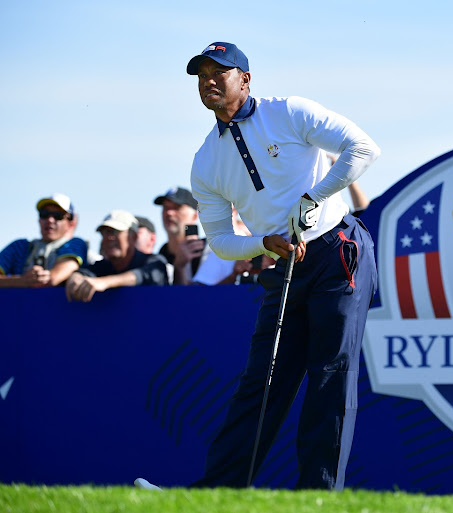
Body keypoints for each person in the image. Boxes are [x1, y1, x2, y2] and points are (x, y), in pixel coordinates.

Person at [135, 41, 380, 492]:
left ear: (244, 79)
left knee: (329, 377)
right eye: (201, 74)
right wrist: (261, 243)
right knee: (262, 383)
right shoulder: (205, 161)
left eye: (219, 72)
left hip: (337, 250)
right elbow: (222, 242)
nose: (208, 80)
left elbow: (363, 149)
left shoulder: (288, 111)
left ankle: (318, 500)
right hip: (283, 266)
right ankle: (215, 495)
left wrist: (315, 197)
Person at [65, 210, 168, 302]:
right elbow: (86, 272)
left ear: (134, 237)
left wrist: (104, 282)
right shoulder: (103, 266)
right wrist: (76, 277)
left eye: (115, 232)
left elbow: (142, 275)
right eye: (104, 233)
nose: (109, 237)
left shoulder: (153, 261)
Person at [0, 193, 87, 288]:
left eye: (58, 216)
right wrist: (22, 281)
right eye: (44, 214)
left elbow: (53, 278)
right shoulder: (19, 246)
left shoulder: (75, 244)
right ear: (39, 219)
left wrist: (38, 279)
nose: (50, 220)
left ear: (70, 223)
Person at [153, 186, 209, 285]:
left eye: (177, 207)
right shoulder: (159, 258)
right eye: (165, 207)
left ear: (194, 216)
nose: (169, 213)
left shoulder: (209, 251)